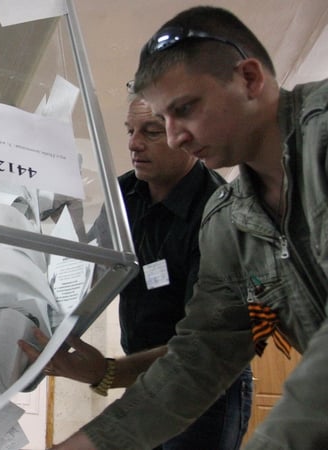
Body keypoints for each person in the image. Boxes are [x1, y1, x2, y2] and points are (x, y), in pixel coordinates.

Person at [42, 5, 328, 449]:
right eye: (163, 121)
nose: (176, 137)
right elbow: (199, 358)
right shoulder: (230, 223)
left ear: (249, 79)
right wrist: (89, 444)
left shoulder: (321, 136)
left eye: (185, 110)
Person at [22, 97, 252, 449]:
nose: (133, 143)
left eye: (151, 132)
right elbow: (88, 270)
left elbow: (202, 348)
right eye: (130, 130)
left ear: (187, 136)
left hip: (206, 387)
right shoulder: (124, 195)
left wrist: (105, 372)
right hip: (143, 375)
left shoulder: (219, 214)